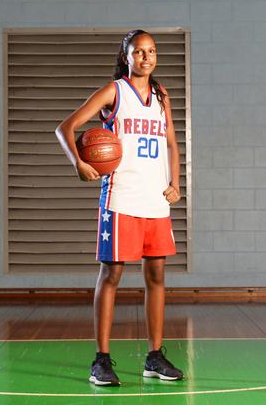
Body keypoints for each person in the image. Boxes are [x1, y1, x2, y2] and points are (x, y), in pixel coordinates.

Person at [55, 29, 184, 386]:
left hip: (155, 201)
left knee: (157, 277)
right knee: (111, 275)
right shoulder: (114, 92)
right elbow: (65, 128)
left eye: (152, 51)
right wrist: (79, 164)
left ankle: (154, 357)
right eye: (138, 51)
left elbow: (172, 143)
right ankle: (101, 360)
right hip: (121, 198)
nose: (146, 57)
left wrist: (176, 183)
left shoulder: (161, 96)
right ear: (126, 56)